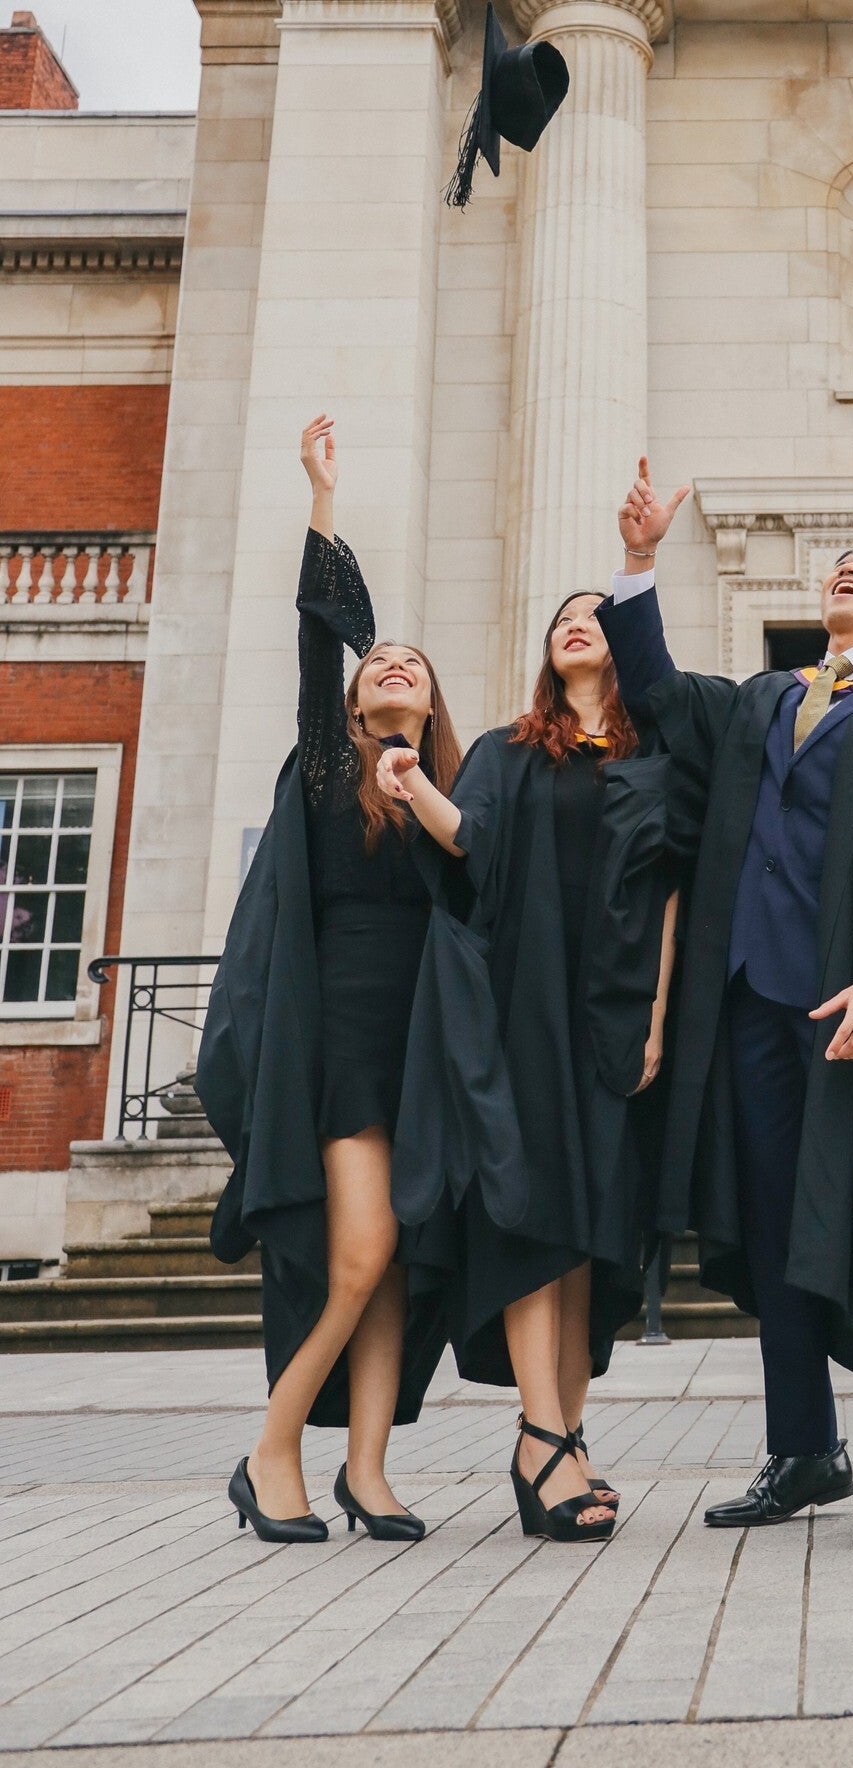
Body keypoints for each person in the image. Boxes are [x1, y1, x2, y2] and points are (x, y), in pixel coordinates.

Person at [597, 460, 853, 1550]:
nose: (847, 570)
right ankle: (803, 1450)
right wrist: (638, 564)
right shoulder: (768, 698)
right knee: (774, 1223)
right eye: (838, 562)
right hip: (753, 1003)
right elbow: (660, 701)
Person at [197, 415, 461, 1544]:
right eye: (379, 664)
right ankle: (271, 1448)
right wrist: (321, 500)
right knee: (359, 1254)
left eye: (414, 664)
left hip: (423, 1049)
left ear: (430, 704)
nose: (392, 663)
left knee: (395, 1259)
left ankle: (368, 1470)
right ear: (355, 705)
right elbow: (318, 644)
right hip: (342, 1045)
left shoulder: (445, 792)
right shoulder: (323, 773)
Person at [386, 592, 681, 1544]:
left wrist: (657, 1018)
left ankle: (570, 1435)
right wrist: (409, 781)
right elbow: (464, 837)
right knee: (532, 1211)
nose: (578, 620)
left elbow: (667, 893)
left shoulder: (651, 757)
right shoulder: (510, 751)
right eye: (562, 615)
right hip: (522, 1008)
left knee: (596, 1224)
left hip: (612, 1014)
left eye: (597, 615)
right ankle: (540, 1437)